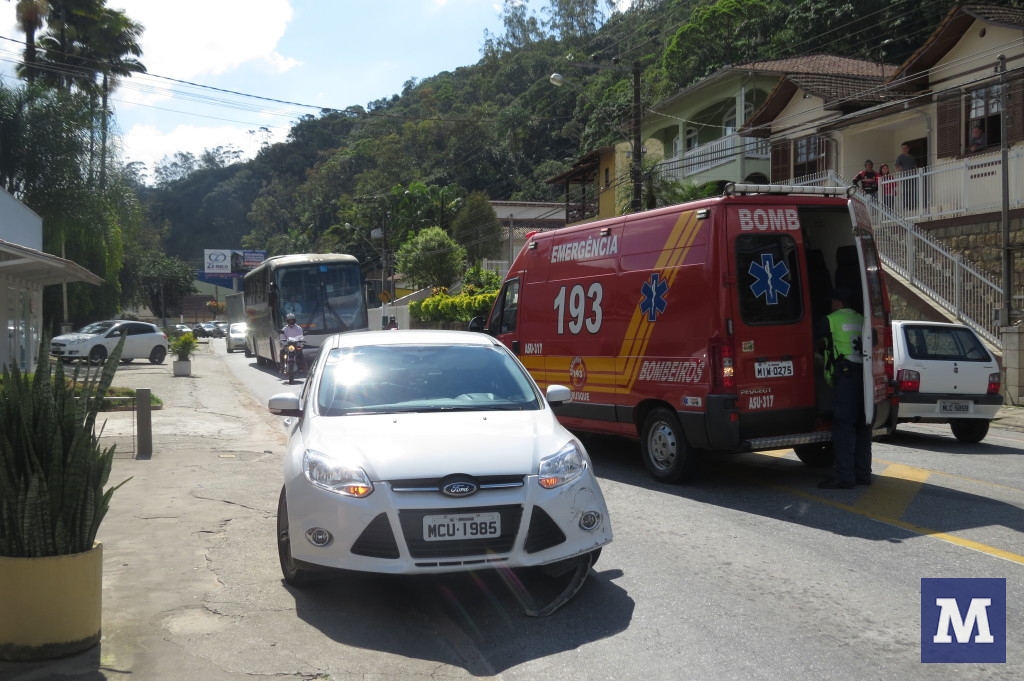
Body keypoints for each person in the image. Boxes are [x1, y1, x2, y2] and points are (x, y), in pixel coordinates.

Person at [816, 287, 872, 489]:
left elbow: (811, 339)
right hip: (865, 375)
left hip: (847, 376)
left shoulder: (831, 319)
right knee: (862, 425)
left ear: (838, 302)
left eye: (832, 301)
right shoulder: (861, 319)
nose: (831, 305)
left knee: (843, 425)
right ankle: (863, 474)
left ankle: (844, 476)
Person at [894, 142, 918, 210]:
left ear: (908, 148)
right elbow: (896, 166)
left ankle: (912, 205)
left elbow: (915, 166)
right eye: (903, 148)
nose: (904, 149)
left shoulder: (912, 157)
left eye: (906, 148)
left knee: (912, 191)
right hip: (905, 177)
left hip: (913, 177)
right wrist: (900, 169)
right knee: (906, 191)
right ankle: (905, 206)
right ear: (901, 149)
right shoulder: (900, 157)